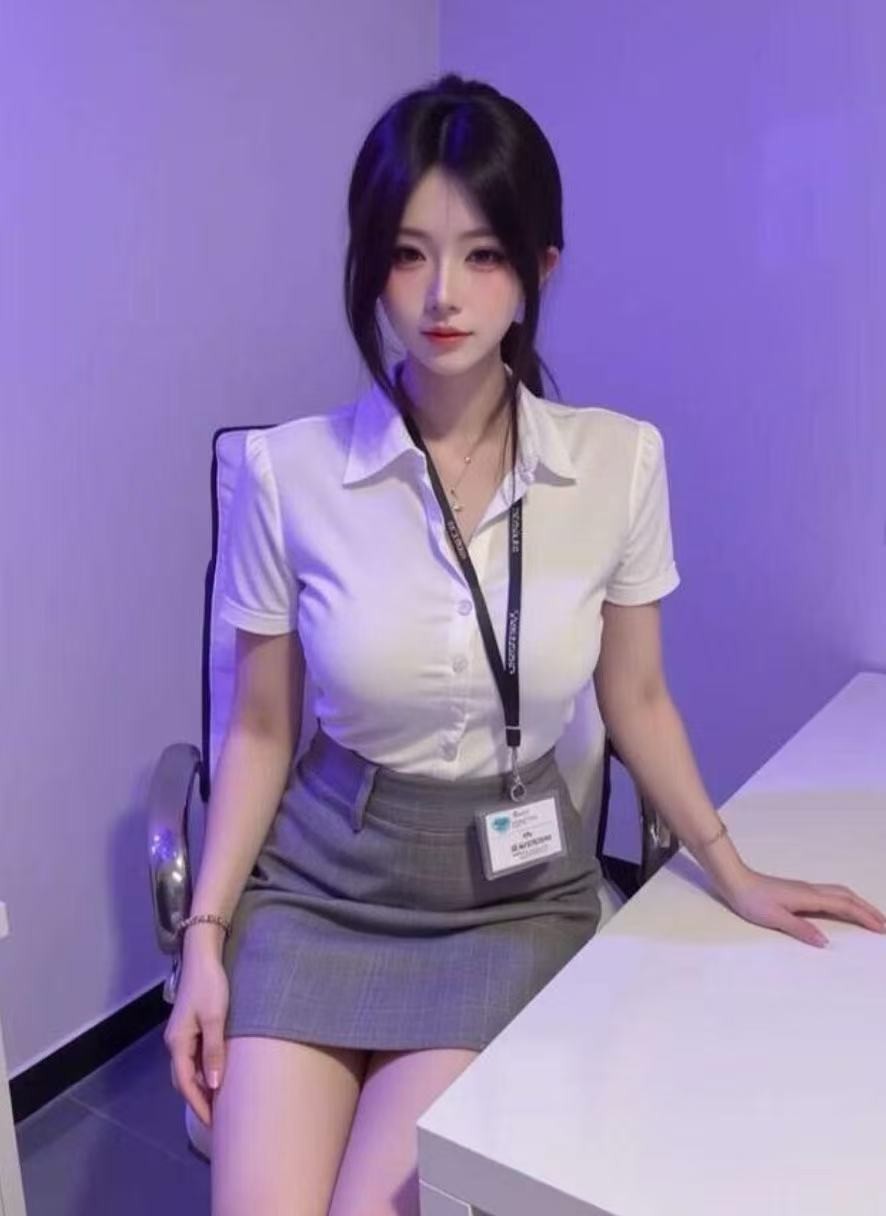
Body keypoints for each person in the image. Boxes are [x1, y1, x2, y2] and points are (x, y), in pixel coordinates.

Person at [163, 72, 886, 1216]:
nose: (442, 294)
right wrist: (205, 939)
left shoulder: (615, 464)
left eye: (483, 254)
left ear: (539, 267)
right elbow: (256, 729)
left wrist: (731, 867)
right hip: (322, 885)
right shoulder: (287, 475)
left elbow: (638, 697)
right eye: (407, 254)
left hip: (505, 901)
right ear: (368, 264)